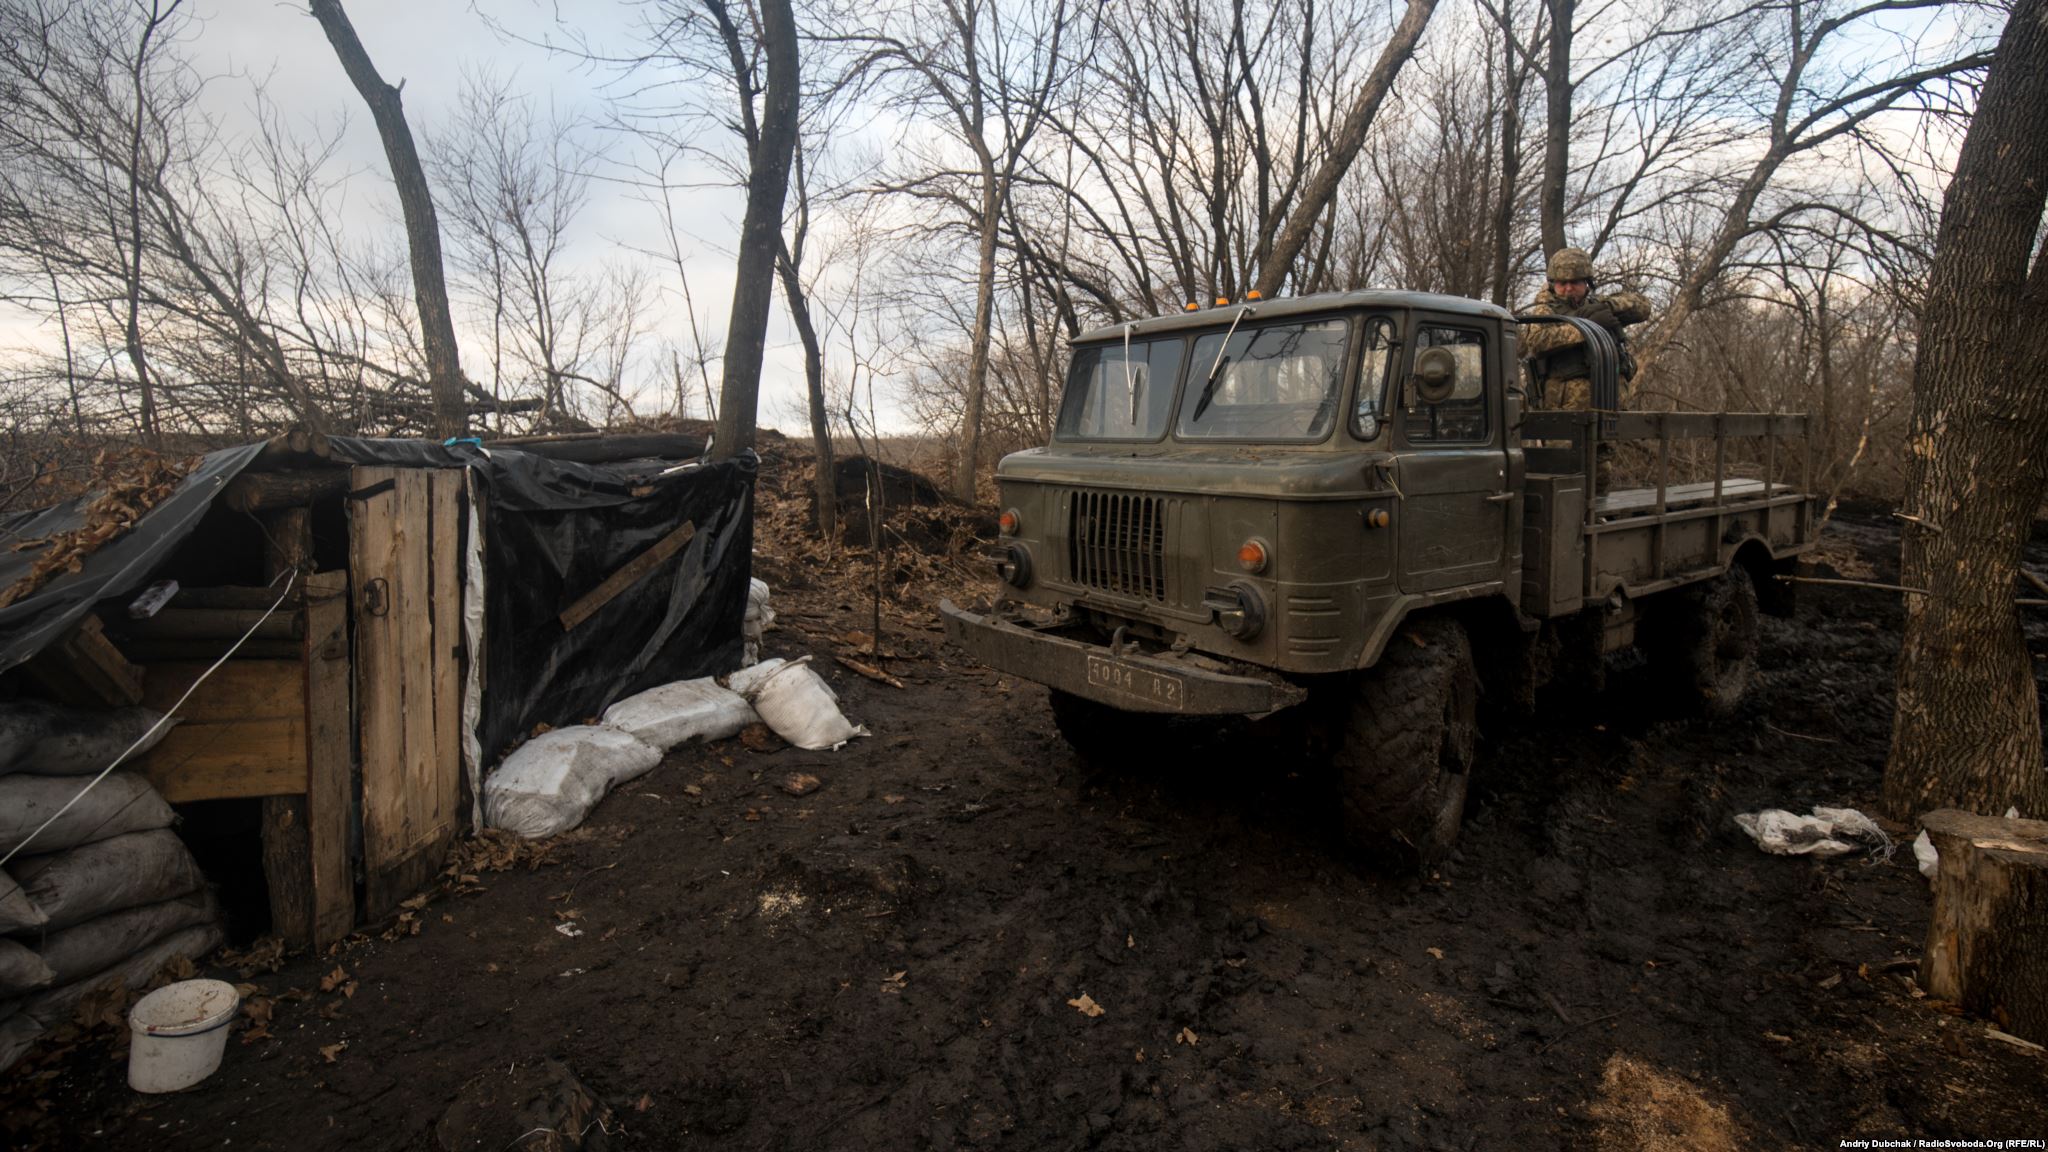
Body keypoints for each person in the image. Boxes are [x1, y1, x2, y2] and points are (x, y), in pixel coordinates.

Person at [1520, 247, 1652, 411]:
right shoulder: (1545, 310)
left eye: (1574, 282)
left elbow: (1643, 306)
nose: (1568, 288)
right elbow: (1536, 342)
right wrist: (1586, 326)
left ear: (1586, 282)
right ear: (1553, 284)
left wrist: (1607, 307)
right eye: (1562, 283)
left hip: (1611, 405)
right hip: (1566, 412)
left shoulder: (1597, 305)